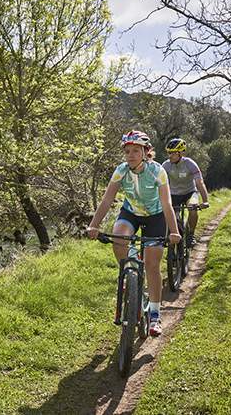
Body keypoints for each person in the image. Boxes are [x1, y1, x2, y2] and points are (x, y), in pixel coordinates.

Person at [87, 130, 181, 337]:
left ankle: (155, 315)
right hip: (131, 213)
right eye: (127, 151)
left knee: (152, 264)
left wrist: (174, 231)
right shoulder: (121, 171)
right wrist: (93, 225)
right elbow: (106, 200)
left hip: (155, 216)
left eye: (136, 151)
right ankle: (130, 274)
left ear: (146, 152)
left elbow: (167, 204)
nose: (131, 155)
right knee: (118, 236)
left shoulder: (157, 171)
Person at [162, 138, 209, 248]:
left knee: (192, 208)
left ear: (180, 153)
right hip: (173, 194)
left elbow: (199, 182)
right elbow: (159, 183)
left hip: (189, 193)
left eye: (172, 153)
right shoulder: (166, 165)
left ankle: (190, 235)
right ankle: (168, 235)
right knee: (167, 213)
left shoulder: (190, 164)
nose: (170, 156)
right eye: (168, 153)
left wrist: (205, 200)